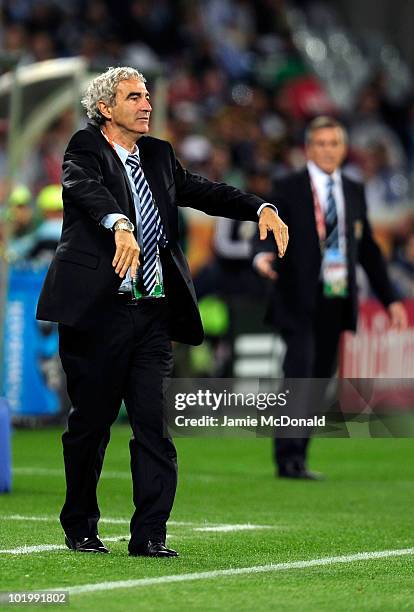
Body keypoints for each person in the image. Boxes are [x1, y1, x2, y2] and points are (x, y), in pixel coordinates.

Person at [36, 66, 288, 557]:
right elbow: (84, 187)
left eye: (147, 95)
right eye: (134, 97)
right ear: (106, 108)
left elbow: (205, 191)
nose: (147, 104)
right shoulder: (84, 149)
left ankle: (150, 534)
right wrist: (118, 223)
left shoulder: (158, 154)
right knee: (91, 425)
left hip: (151, 312)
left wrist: (259, 208)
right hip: (97, 313)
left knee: (153, 424)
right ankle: (80, 524)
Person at [253, 116, 407, 481]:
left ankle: (299, 455)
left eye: (333, 144)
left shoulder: (353, 190)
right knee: (300, 372)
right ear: (309, 148)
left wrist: (391, 299)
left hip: (336, 297)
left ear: (342, 148)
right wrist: (261, 255)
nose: (327, 150)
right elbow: (265, 228)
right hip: (297, 297)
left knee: (320, 379)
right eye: (320, 144)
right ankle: (286, 456)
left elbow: (367, 248)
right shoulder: (287, 186)